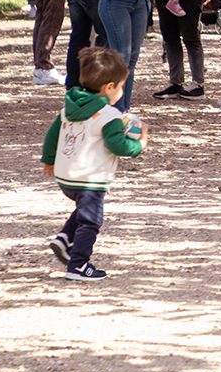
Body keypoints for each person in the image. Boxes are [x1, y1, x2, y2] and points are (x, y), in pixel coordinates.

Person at [41, 46, 146, 282]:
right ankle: (78, 265)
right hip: (89, 179)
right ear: (109, 87)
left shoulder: (68, 109)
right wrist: (140, 144)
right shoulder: (110, 116)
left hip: (66, 176)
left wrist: (48, 160)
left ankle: (65, 238)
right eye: (121, 87)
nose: (121, 91)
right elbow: (119, 146)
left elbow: (52, 136)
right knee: (91, 220)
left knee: (84, 207)